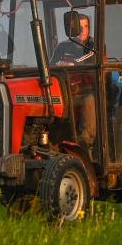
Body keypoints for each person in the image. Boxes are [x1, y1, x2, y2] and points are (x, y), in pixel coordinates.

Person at [50, 14, 97, 156]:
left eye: (86, 27)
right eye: (80, 27)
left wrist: (72, 64)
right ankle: (52, 142)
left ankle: (85, 142)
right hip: (66, 91)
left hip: (89, 90)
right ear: (72, 28)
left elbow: (87, 59)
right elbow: (52, 65)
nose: (83, 31)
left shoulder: (94, 45)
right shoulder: (62, 46)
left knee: (89, 101)